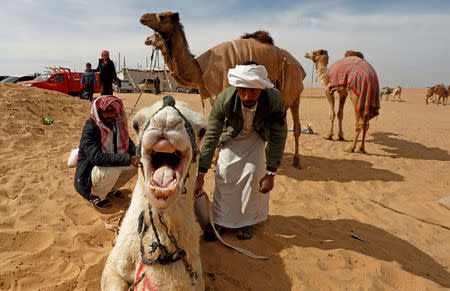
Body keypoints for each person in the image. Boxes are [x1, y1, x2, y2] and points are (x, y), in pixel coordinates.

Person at [195, 62, 287, 240]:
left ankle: (247, 221)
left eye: (253, 90)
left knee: (253, 176)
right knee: (225, 176)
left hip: (256, 138)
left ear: (261, 88)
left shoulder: (273, 100)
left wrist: (271, 173)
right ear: (236, 87)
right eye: (242, 90)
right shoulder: (224, 99)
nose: (247, 96)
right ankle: (221, 220)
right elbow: (212, 134)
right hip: (231, 138)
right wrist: (201, 171)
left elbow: (279, 135)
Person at [74, 95, 140, 209]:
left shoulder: (117, 126)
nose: (110, 115)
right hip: (89, 174)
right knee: (118, 166)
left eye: (113, 111)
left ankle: (111, 189)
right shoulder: (91, 128)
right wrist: (128, 159)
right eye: (106, 111)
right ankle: (96, 195)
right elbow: (97, 158)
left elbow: (130, 146)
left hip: (106, 170)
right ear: (99, 112)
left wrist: (140, 155)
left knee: (137, 164)